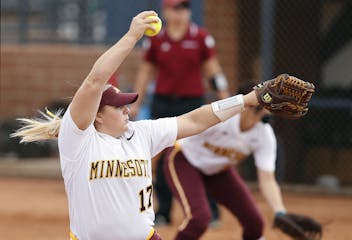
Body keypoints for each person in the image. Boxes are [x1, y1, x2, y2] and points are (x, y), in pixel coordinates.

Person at [11, 11, 261, 240]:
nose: (127, 111)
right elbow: (94, 81)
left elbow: (195, 120)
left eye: (126, 105)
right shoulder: (79, 141)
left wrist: (248, 100)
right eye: (118, 107)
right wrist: (132, 36)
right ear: (97, 115)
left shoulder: (141, 133)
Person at [162, 89, 317, 239]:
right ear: (248, 106)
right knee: (199, 219)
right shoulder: (222, 119)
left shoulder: (264, 134)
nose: (268, 111)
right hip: (184, 159)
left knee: (254, 224)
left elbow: (267, 179)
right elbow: (179, 129)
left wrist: (279, 211)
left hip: (218, 171)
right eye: (264, 106)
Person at [131, 0, 229, 225]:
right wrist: (137, 100)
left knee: (199, 155)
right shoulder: (156, 39)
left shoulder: (201, 37)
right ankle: (164, 211)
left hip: (193, 104)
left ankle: (210, 211)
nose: (182, 12)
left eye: (185, 8)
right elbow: (146, 72)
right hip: (164, 103)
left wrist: (223, 94)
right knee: (165, 157)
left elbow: (213, 69)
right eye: (176, 8)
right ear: (165, 12)